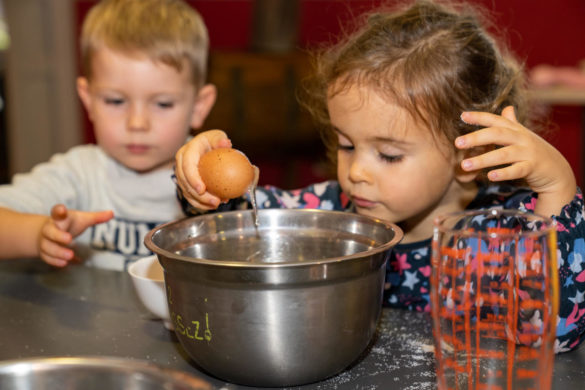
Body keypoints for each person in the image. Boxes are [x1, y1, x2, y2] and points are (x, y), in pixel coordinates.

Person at [174, 0, 585, 352]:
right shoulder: (332, 212)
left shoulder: (505, 232)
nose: (356, 173)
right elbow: (240, 222)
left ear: (471, 152)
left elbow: (554, 332)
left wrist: (558, 185)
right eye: (347, 145)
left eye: (388, 155)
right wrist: (201, 182)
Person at [0, 0, 216, 270]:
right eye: (115, 101)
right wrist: (37, 234)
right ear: (88, 100)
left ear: (198, 106)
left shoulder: (207, 177)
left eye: (162, 104)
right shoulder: (78, 174)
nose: (137, 123)